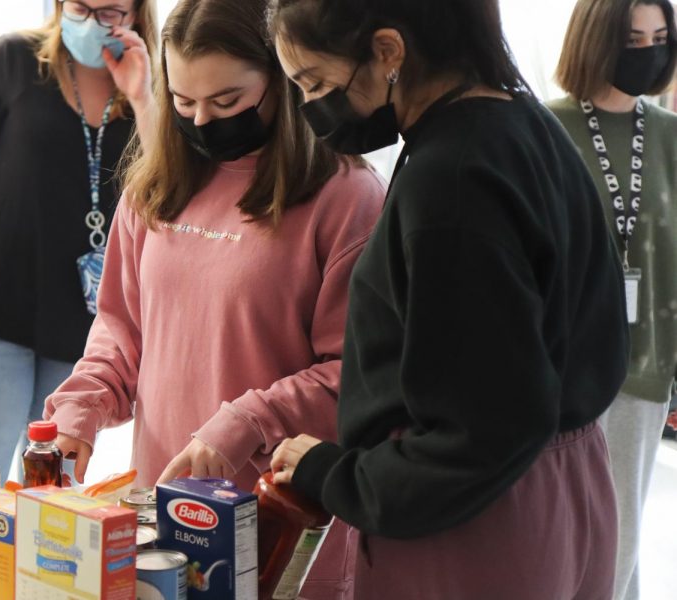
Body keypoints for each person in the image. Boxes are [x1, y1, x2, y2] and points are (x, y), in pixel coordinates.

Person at [268, 1, 630, 598]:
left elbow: (485, 430)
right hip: (563, 490)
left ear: (388, 51)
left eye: (315, 83)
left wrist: (338, 475)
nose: (312, 108)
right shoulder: (524, 123)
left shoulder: (452, 181)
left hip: (475, 518)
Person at [44, 0, 386, 596]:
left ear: (280, 81)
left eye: (227, 102)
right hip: (163, 520)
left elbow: (357, 375)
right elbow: (122, 332)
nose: (202, 121)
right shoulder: (155, 188)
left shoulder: (347, 198)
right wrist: (81, 410)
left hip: (279, 518)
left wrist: (245, 423)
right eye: (182, 102)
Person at [0, 0, 159, 480]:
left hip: (81, 329)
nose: (91, 22)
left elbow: (169, 191)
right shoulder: (15, 60)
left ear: (139, 14)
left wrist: (143, 98)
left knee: (55, 494)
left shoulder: (155, 87)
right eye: (80, 7)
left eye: (111, 13)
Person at [547, 2, 677, 598]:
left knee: (619, 541)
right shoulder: (546, 127)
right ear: (596, 39)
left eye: (659, 38)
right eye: (632, 38)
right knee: (559, 537)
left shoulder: (671, 134)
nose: (646, 52)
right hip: (560, 368)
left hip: (643, 364)